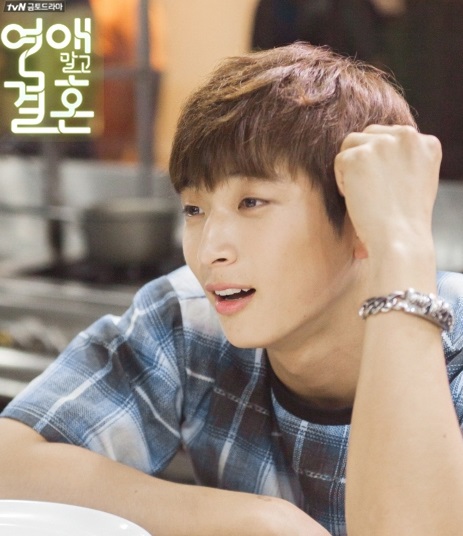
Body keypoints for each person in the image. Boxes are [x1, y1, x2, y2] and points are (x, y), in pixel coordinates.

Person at [0, 43, 462, 536]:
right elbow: (11, 462)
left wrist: (400, 244)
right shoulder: (190, 318)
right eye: (194, 209)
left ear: (359, 218)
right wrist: (252, 519)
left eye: (252, 202)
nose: (209, 251)